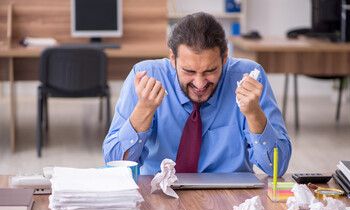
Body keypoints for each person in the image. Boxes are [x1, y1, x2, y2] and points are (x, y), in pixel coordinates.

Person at [103, 12, 292, 177]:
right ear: (173, 59)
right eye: (189, 71)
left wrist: (254, 114)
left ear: (224, 58)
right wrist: (143, 110)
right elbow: (114, 164)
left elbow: (276, 168)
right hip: (159, 195)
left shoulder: (249, 77)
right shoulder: (146, 77)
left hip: (231, 199)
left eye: (210, 70)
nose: (200, 83)